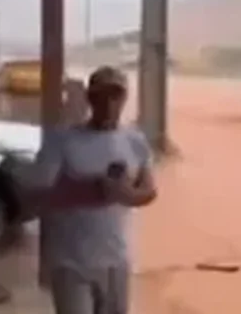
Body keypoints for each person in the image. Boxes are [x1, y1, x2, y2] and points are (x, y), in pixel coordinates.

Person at [24, 66, 158, 314]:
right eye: (100, 96)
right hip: (71, 263)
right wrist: (93, 191)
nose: (108, 103)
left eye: (115, 96)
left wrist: (126, 195)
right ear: (89, 99)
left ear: (124, 99)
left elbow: (149, 191)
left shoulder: (135, 141)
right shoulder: (62, 141)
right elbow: (35, 199)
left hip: (116, 261)